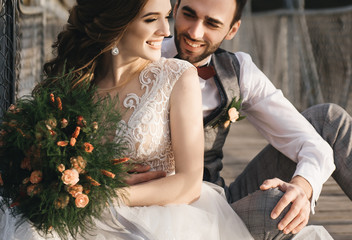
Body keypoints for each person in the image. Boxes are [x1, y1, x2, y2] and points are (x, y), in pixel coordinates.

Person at [0, 0, 255, 239]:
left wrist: (106, 195)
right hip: (79, 216)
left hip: (160, 218)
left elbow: (189, 184)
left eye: (167, 17)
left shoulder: (177, 76)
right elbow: (43, 166)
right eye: (151, 19)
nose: (165, 30)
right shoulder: (72, 83)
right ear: (118, 22)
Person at [125, 0, 352, 239]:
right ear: (176, 7)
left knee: (329, 119)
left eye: (212, 23)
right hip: (152, 208)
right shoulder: (141, 53)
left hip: (215, 204)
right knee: (275, 209)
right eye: (189, 15)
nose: (194, 32)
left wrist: (301, 187)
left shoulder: (237, 70)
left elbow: (312, 143)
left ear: (232, 30)